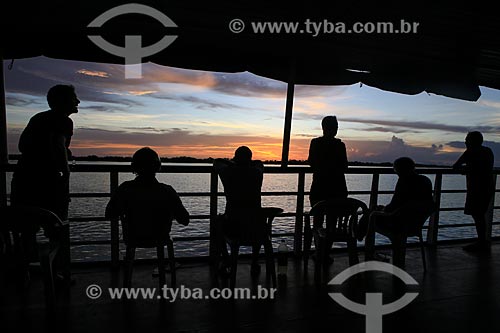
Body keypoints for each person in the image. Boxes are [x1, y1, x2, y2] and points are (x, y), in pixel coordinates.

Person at [10, 84, 80, 283]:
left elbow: (23, 145)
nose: (78, 102)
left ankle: (23, 273)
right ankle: (56, 274)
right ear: (63, 101)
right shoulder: (64, 122)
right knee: (56, 229)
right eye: (74, 98)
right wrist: (65, 175)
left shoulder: (38, 118)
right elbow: (58, 146)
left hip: (23, 180)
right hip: (49, 184)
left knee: (26, 230)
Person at [105, 147, 189, 247]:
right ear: (158, 167)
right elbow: (184, 220)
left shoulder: (125, 188)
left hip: (132, 238)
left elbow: (109, 214)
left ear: (134, 167)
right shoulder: (167, 191)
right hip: (160, 237)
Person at [359, 157, 434, 259]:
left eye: (395, 169)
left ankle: (359, 238)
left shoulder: (404, 181)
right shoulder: (425, 180)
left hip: (398, 223)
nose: (395, 172)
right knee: (373, 210)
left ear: (400, 169)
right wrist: (383, 208)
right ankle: (359, 234)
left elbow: (393, 207)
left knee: (370, 214)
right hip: (415, 223)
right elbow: (419, 203)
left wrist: (382, 209)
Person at [214, 146, 266, 276]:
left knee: (217, 222)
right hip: (256, 227)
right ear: (250, 159)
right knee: (257, 221)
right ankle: (254, 262)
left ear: (235, 158)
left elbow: (217, 161)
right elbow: (259, 163)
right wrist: (247, 164)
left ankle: (226, 261)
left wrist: (233, 163)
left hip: (234, 226)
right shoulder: (257, 173)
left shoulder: (228, 172)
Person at [453, 131, 495, 252]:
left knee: (478, 215)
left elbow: (456, 166)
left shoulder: (470, 152)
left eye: (467, 139)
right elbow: (484, 168)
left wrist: (466, 169)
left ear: (472, 141)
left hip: (476, 188)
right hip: (488, 187)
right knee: (480, 215)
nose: (465, 142)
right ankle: (482, 241)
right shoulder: (488, 151)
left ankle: (482, 242)